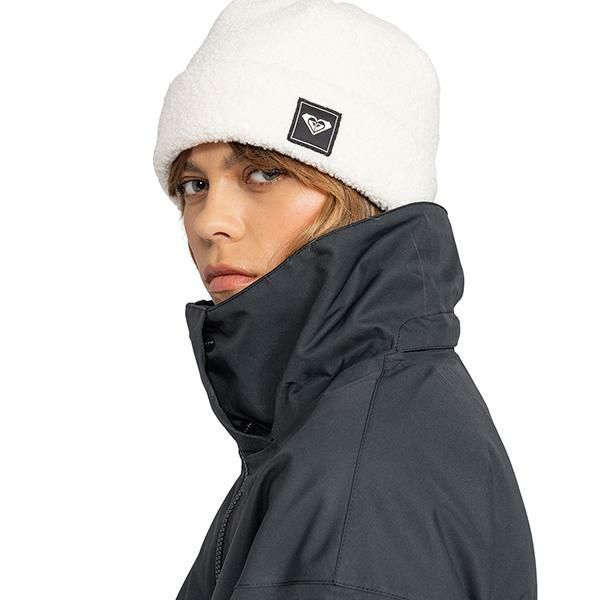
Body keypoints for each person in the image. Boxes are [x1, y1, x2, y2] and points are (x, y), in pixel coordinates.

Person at [153, 2, 538, 600]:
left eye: (263, 174)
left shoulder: (356, 475)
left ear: (361, 194)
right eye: (193, 184)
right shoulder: (359, 413)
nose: (209, 222)